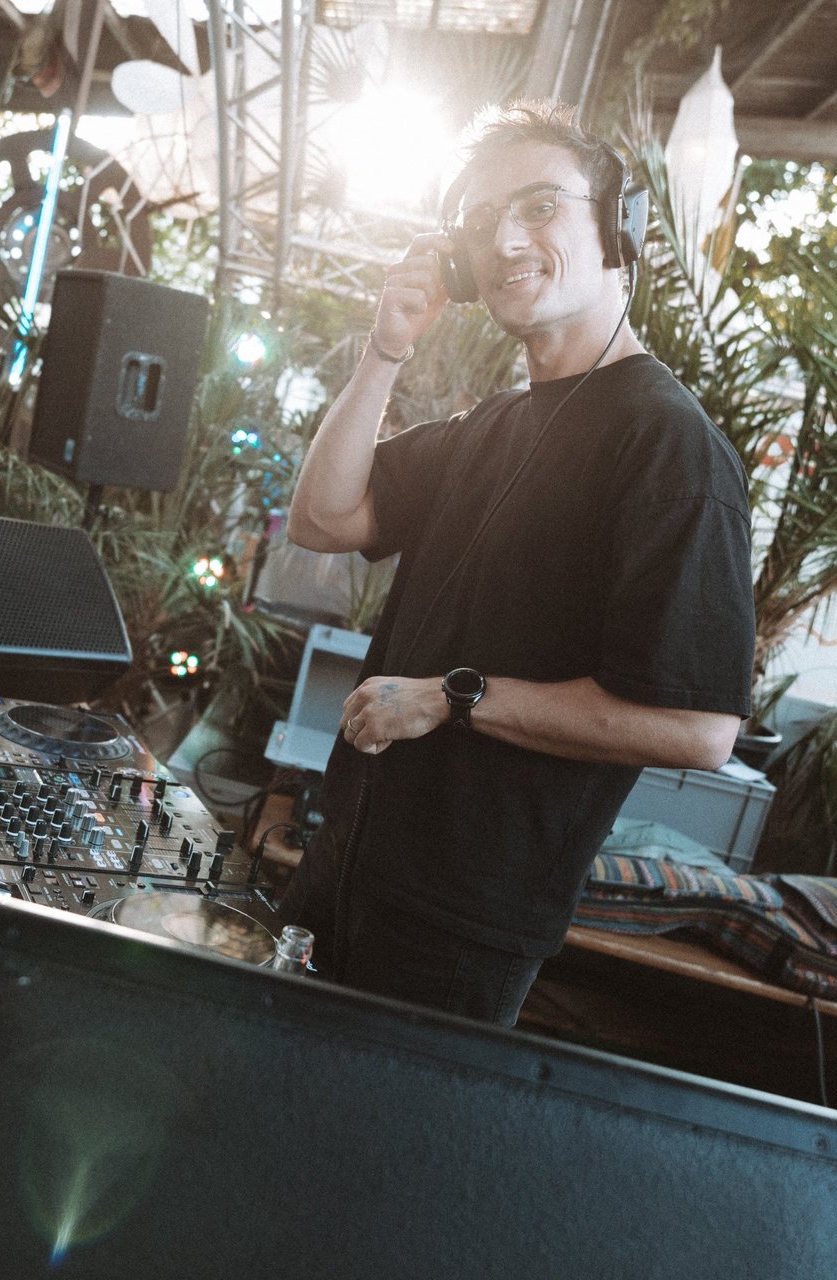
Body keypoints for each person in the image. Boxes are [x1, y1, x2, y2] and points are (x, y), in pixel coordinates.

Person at [279, 100, 756, 1028]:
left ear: (617, 227)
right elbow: (322, 516)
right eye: (480, 221)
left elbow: (699, 728)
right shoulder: (492, 426)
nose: (503, 241)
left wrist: (455, 697)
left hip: (457, 926)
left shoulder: (670, 447)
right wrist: (385, 348)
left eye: (539, 207)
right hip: (347, 863)